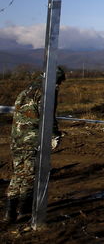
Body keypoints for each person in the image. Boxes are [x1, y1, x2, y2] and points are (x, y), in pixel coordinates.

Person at [4, 66, 66, 224]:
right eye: (58, 82)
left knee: (18, 174)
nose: (59, 86)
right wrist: (54, 135)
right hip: (32, 140)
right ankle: (23, 211)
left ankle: (9, 212)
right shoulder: (45, 93)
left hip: (16, 139)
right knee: (30, 175)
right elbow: (47, 116)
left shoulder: (26, 91)